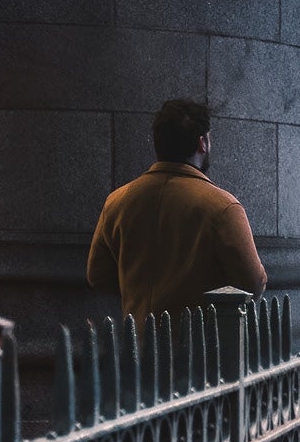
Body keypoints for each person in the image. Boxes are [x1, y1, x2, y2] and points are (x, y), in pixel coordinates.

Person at [87, 97, 266, 334]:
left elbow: (97, 276)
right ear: (202, 143)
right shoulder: (223, 208)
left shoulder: (117, 201)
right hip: (200, 352)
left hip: (140, 346)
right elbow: (252, 283)